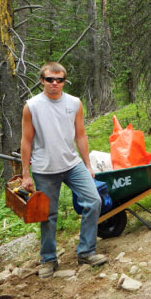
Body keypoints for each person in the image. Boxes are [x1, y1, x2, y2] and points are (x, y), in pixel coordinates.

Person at [21, 62, 107, 279]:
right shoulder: (32, 106)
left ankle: (86, 251)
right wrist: (25, 174)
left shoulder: (74, 103)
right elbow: (26, 140)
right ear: (42, 81)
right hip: (44, 168)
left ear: (64, 82)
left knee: (94, 200)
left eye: (59, 80)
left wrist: (87, 165)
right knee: (47, 215)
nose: (55, 84)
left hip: (72, 164)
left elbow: (80, 134)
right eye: (50, 79)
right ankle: (49, 259)